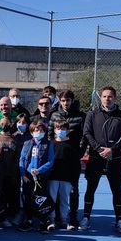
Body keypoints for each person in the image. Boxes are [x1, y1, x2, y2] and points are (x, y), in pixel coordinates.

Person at [81, 86, 121, 233]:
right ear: (101, 98)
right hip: (95, 158)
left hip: (114, 159)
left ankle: (119, 219)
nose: (107, 99)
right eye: (104, 96)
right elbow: (87, 133)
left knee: (117, 190)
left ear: (115, 98)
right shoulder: (92, 114)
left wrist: (112, 150)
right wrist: (98, 149)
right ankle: (86, 217)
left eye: (110, 96)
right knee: (91, 188)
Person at [49, 90, 86, 227]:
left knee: (73, 189)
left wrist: (79, 152)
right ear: (59, 101)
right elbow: (49, 134)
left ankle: (73, 216)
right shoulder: (54, 115)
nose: (65, 103)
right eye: (63, 100)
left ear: (72, 100)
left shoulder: (80, 116)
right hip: (57, 158)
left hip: (72, 158)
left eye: (68, 100)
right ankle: (56, 216)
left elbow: (84, 136)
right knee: (54, 189)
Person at [19, 121, 54, 233]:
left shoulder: (48, 144)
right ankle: (28, 220)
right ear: (32, 132)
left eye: (41, 130)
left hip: (41, 177)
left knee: (41, 199)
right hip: (28, 177)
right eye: (36, 130)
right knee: (27, 198)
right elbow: (22, 160)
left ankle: (43, 221)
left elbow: (50, 161)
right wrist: (24, 174)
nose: (39, 132)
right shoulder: (27, 143)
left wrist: (39, 171)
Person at [47, 119, 78, 231]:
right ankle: (52, 220)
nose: (60, 130)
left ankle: (64, 220)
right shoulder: (51, 144)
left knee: (65, 200)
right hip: (53, 177)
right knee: (52, 199)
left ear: (67, 130)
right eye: (58, 128)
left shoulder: (71, 146)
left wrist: (74, 180)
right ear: (54, 130)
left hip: (66, 178)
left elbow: (75, 165)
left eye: (63, 128)